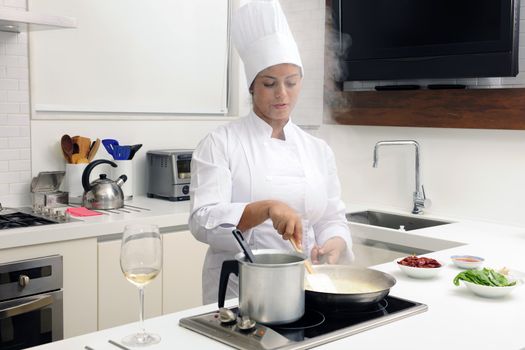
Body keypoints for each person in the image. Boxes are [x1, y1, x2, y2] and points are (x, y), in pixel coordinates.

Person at [189, 0, 353, 304]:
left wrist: (335, 242)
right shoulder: (220, 143)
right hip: (240, 291)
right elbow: (202, 221)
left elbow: (331, 216)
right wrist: (265, 208)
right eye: (269, 83)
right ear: (252, 87)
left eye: (291, 83)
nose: (282, 94)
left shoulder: (317, 149)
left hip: (307, 287)